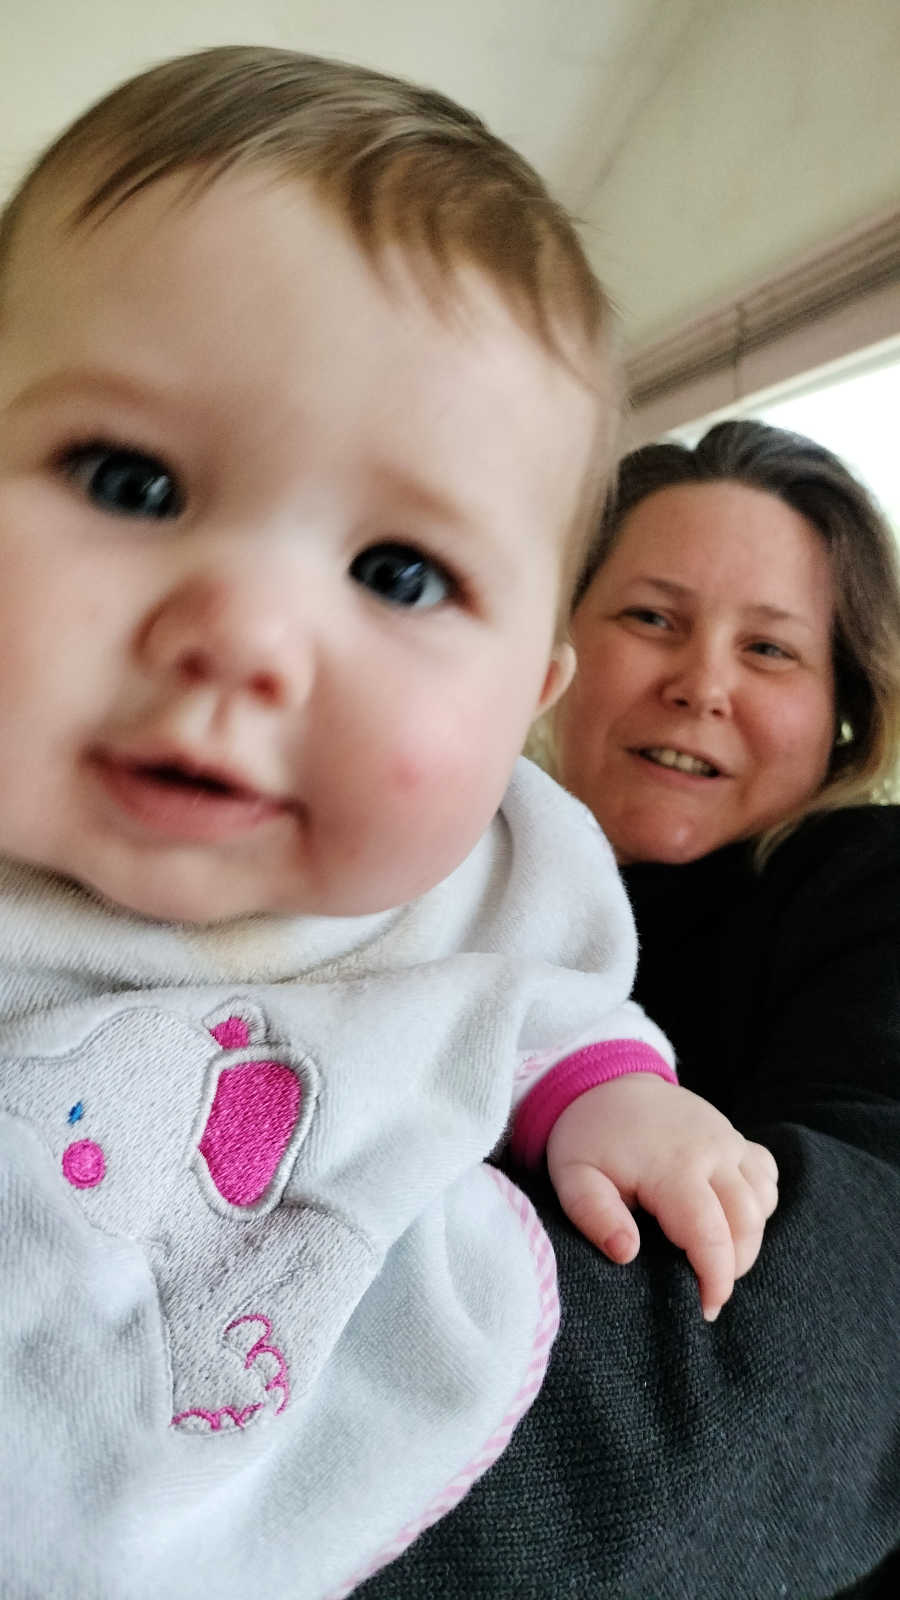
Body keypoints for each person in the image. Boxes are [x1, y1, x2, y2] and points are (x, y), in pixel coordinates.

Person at [0, 48, 780, 1600]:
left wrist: (612, 1101)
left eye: (400, 574)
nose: (245, 636)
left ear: (521, 707)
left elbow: (530, 1004)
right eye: (130, 481)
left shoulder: (494, 874)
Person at [358, 419, 900, 1600]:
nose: (701, 682)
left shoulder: (865, 890)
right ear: (553, 651)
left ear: (846, 713)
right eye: (652, 617)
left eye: (771, 649)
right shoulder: (414, 869)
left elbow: (845, 1322)